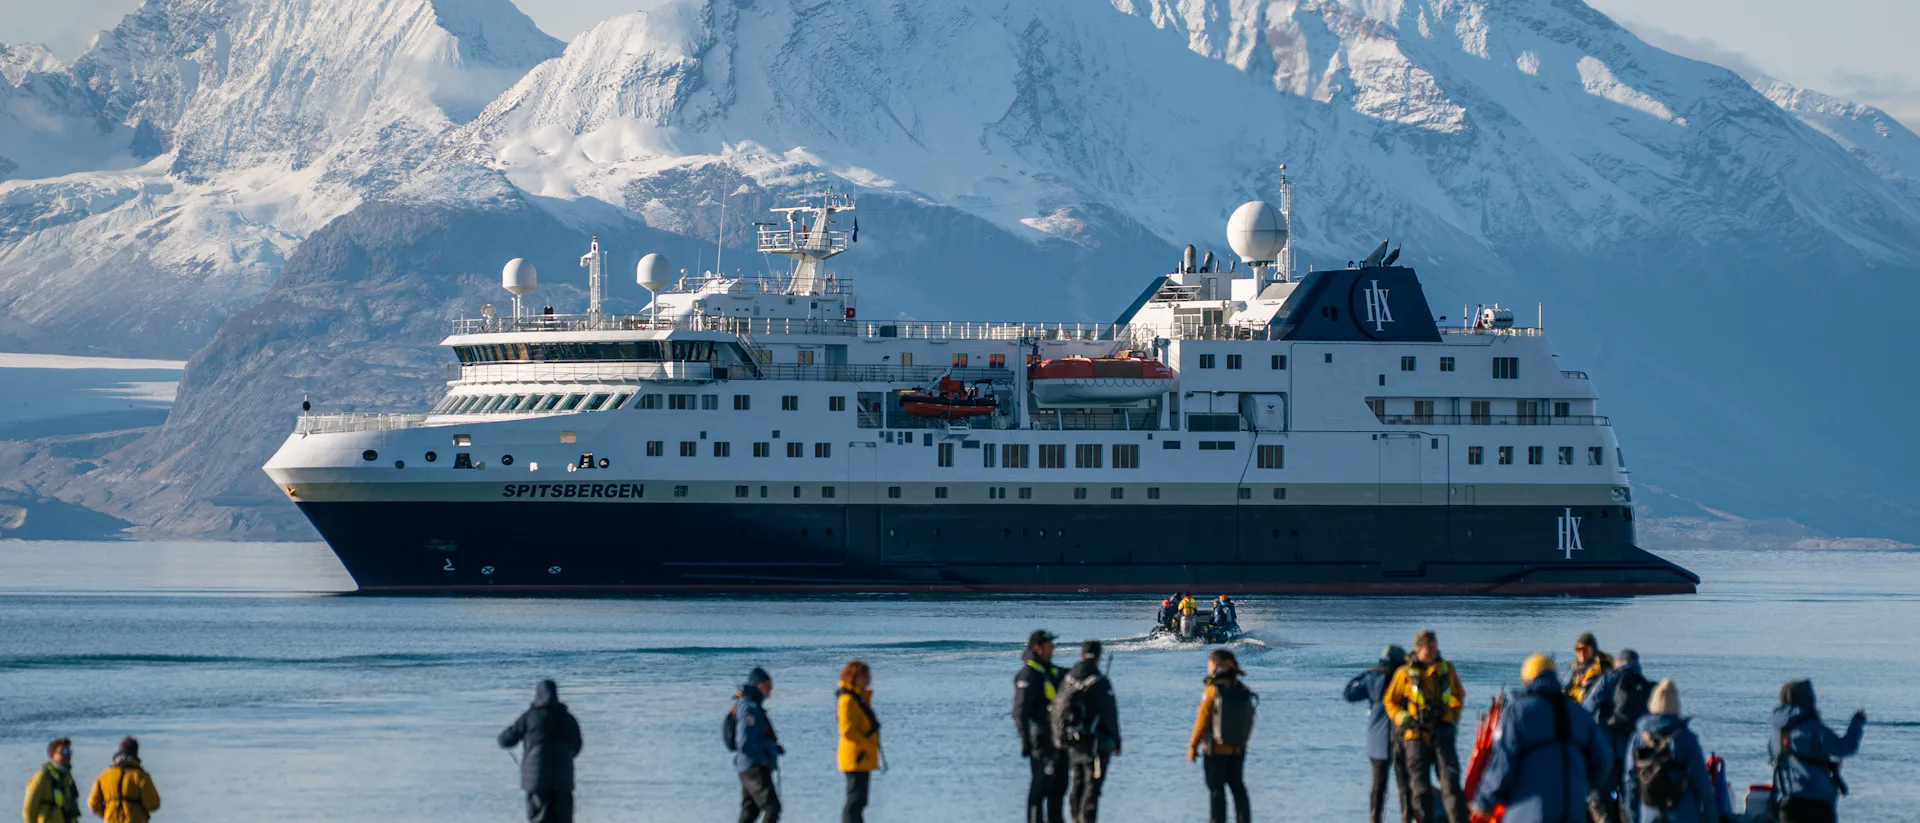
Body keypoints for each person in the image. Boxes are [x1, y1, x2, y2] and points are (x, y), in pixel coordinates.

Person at [1469, 655, 1612, 823]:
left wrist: (1484, 801)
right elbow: (1603, 761)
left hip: (1528, 812)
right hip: (1572, 810)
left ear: (1526, 679)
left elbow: (1502, 765)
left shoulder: (1517, 712)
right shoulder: (1579, 713)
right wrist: (1581, 786)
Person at [1384, 630, 1468, 823]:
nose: (1432, 650)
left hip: (1442, 734)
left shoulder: (1447, 670)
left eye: (1434, 645)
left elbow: (1458, 696)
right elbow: (1390, 701)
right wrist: (1402, 717)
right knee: (1420, 790)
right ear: (1418, 649)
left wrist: (1450, 719)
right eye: (1428, 647)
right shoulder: (1404, 673)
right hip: (1415, 736)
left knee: (1451, 786)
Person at [1769, 679, 1865, 823]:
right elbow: (1845, 748)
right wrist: (1857, 722)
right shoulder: (1814, 728)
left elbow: (1776, 760)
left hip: (1788, 804)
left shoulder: (1776, 731)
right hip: (1817, 805)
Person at [1623, 680, 1714, 823]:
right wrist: (1712, 818)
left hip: (1648, 815)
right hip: (1683, 815)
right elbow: (1702, 784)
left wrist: (1633, 817)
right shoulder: (1686, 739)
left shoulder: (1637, 738)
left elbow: (1630, 781)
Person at [1051, 640, 1121, 823]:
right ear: (1099, 657)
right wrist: (1117, 741)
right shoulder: (1101, 681)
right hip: (1096, 744)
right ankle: (1086, 819)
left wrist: (1060, 738)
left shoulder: (1068, 680)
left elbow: (1058, 709)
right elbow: (1110, 714)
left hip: (1073, 742)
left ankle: (1075, 818)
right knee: (1092, 788)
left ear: (1082, 655)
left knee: (1077, 783)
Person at [498, 679, 584, 823]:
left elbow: (504, 740)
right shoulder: (568, 718)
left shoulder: (529, 717)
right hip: (563, 781)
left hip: (536, 782)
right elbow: (577, 747)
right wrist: (565, 757)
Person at [1584, 649, 1652, 823]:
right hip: (1634, 753)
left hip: (1606, 750)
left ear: (1618, 663)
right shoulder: (1645, 686)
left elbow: (1585, 710)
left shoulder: (1607, 681)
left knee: (1599, 794)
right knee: (1630, 797)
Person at [1188, 649, 1256, 823]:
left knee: (1216, 789)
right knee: (1238, 787)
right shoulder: (1243, 689)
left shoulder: (1212, 691)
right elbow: (1250, 720)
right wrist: (1243, 743)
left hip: (1215, 749)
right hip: (1238, 748)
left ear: (1216, 665)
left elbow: (1201, 720)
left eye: (1209, 664)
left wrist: (1193, 746)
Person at [1346, 646, 1412, 823]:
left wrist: (1364, 673)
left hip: (1378, 744)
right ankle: (1408, 818)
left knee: (1378, 787)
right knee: (1405, 787)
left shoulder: (1373, 680)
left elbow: (1348, 693)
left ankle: (1374, 819)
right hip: (1403, 743)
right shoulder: (1407, 681)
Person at [1014, 630, 1067, 823]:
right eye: (1049, 645)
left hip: (1058, 741)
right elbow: (1020, 712)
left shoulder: (1051, 672)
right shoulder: (1028, 674)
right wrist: (1027, 742)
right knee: (1040, 787)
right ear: (1038, 647)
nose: (1053, 648)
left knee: (1058, 789)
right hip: (1041, 742)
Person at [734, 668, 783, 823]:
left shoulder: (749, 704)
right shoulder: (749, 707)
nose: (770, 692)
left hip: (747, 765)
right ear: (759, 685)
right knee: (772, 807)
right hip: (753, 766)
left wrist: (773, 748)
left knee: (750, 811)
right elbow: (744, 741)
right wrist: (762, 758)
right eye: (769, 687)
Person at [837, 660, 881, 823]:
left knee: (860, 800)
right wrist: (866, 744)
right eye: (865, 676)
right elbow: (847, 730)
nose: (868, 680)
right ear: (853, 677)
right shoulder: (847, 700)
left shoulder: (858, 698)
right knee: (854, 800)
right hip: (856, 756)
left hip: (863, 755)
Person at [85, 738, 159, 823]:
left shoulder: (104, 775)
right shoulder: (140, 776)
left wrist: (107, 814)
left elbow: (93, 804)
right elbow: (154, 804)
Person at [22, 738, 79, 823]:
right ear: (52, 755)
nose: (67, 755)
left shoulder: (67, 778)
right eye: (63, 752)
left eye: (69, 752)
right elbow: (29, 809)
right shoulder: (42, 777)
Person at [1566, 632, 1615, 703]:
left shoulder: (1601, 668)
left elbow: (1592, 695)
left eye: (1585, 650)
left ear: (1593, 651)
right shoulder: (1579, 668)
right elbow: (1568, 688)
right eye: (1579, 650)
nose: (1582, 654)